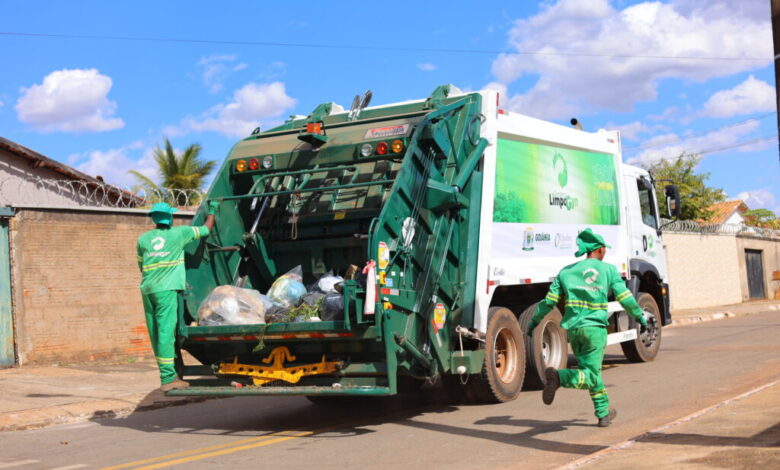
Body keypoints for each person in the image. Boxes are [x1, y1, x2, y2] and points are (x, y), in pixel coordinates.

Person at [527, 228, 648, 427]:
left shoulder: (566, 272)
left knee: (591, 372)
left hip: (574, 331)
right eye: (604, 249)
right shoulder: (608, 270)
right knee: (591, 375)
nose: (605, 252)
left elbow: (548, 302)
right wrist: (639, 316)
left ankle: (603, 413)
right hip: (595, 330)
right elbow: (625, 297)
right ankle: (559, 377)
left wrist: (534, 321)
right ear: (599, 250)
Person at [137, 200, 218, 391]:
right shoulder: (179, 233)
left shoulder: (143, 239)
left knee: (155, 332)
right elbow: (206, 229)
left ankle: (166, 373)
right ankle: (168, 379)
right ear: (170, 217)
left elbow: (141, 265)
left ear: (154, 218)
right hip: (167, 290)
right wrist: (212, 210)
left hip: (148, 289)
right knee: (166, 333)